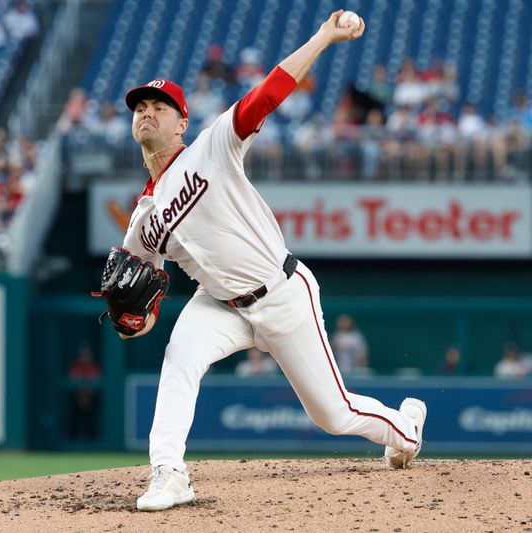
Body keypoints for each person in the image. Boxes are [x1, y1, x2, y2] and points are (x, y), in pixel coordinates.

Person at [113, 12, 427, 512]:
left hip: (282, 293)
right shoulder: (142, 218)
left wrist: (324, 35)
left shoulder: (212, 147)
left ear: (182, 122)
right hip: (218, 304)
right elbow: (134, 296)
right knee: (178, 361)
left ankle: (406, 430)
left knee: (334, 414)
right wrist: (132, 321)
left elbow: (271, 90)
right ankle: (168, 475)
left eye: (160, 105)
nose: (148, 112)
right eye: (141, 107)